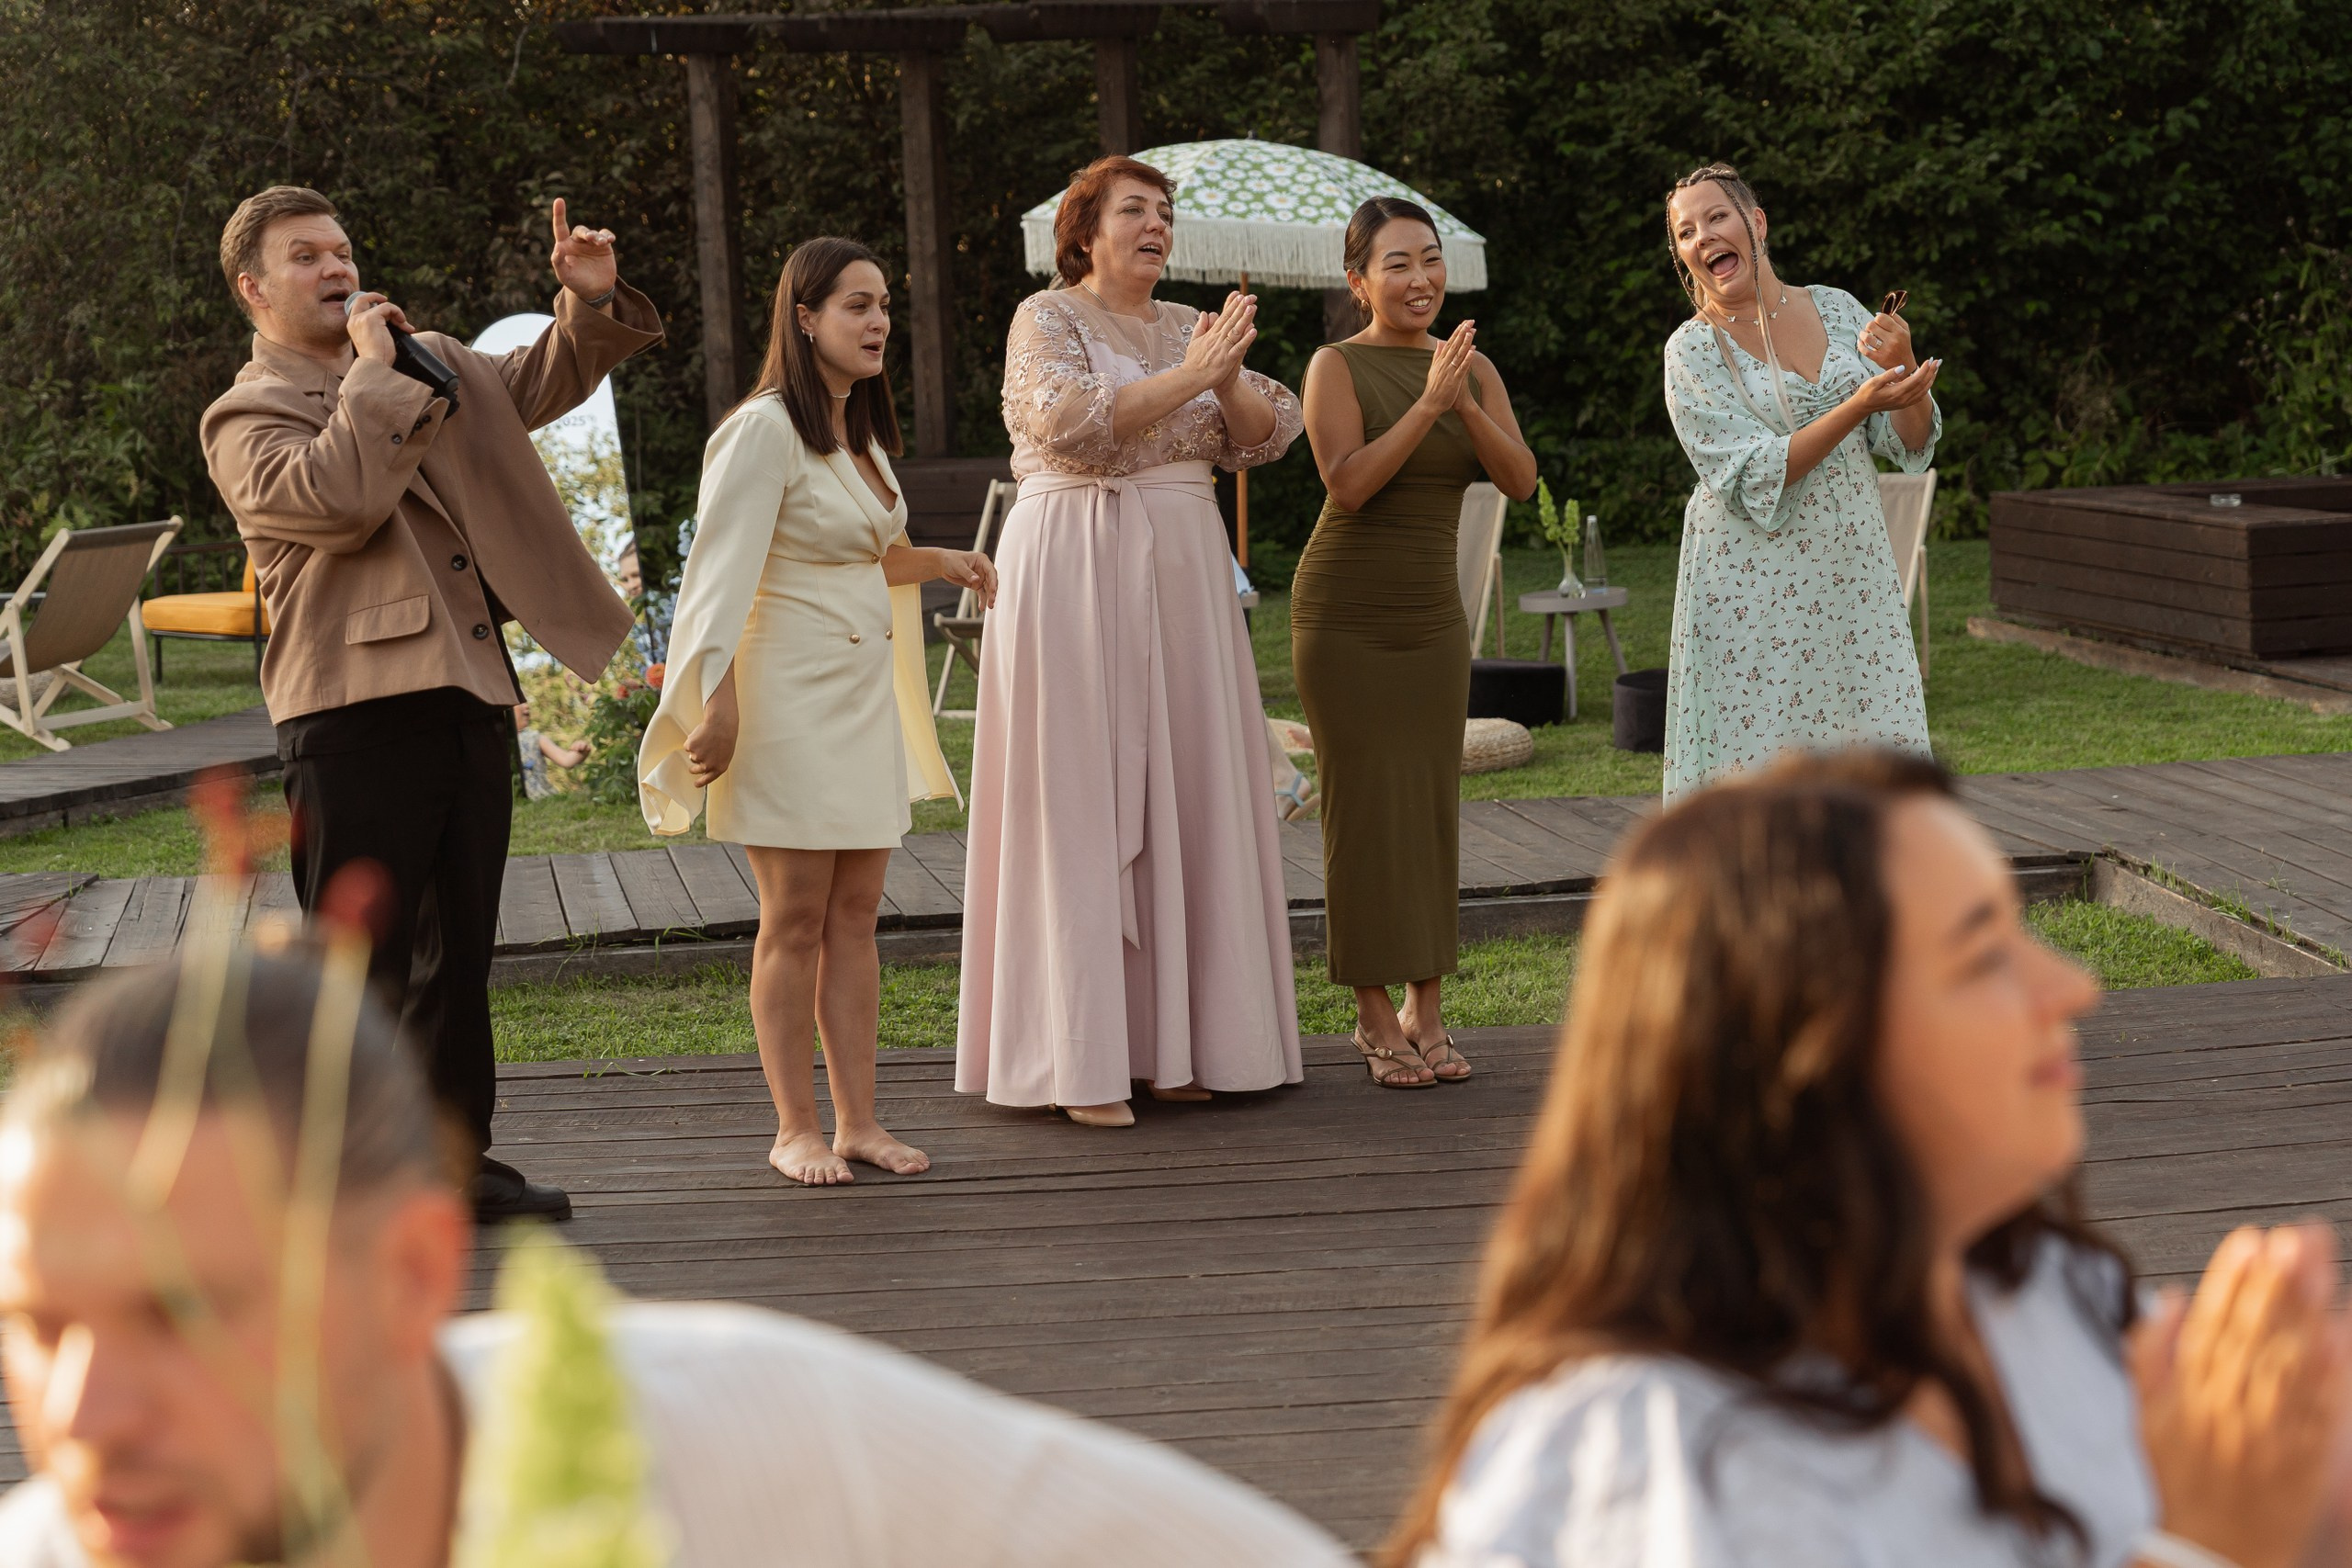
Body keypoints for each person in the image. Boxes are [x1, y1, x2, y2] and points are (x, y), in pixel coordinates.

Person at [0, 945, 1362, 1568]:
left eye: (187, 1311)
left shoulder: (774, 1444)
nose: (81, 1415)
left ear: (415, 1273)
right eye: (39, 1323)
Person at [1389, 750, 2352, 1568]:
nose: (2070, 985)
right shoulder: (1646, 1473)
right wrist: (2208, 1542)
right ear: (1805, 1051)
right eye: (1982, 958)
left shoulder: (2035, 1298)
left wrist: (2286, 1431)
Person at [199, 185, 662, 1222]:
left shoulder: (428, 360)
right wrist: (377, 373)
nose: (335, 269)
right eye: (305, 257)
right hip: (349, 710)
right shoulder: (245, 413)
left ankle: (454, 1166)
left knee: (458, 953)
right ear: (253, 288)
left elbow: (535, 382)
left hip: (466, 689)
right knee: (356, 969)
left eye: (341, 248)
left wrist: (584, 305)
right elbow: (336, 499)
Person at [956, 154, 1306, 1127]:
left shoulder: (1189, 324)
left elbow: (1271, 430)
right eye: (1134, 210)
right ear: (1085, 231)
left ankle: (1180, 1046)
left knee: (1190, 786)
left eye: (1164, 212)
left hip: (1184, 573)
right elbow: (1062, 420)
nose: (1156, 225)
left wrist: (1221, 377)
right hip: (1074, 561)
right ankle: (1085, 1060)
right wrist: (1194, 375)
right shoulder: (1048, 315)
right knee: (1078, 792)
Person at [638, 237, 994, 1185]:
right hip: (782, 701)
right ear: (805, 317)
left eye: (884, 305)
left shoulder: (860, 434)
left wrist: (942, 560)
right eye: (856, 306)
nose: (879, 322)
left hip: (861, 699)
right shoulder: (761, 430)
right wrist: (713, 706)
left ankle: (859, 1122)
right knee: (793, 916)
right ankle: (793, 1127)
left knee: (858, 914)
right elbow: (718, 578)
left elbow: (868, 554)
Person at [1293, 197, 1536, 1090]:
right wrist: (1427, 400)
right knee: (1359, 814)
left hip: (1432, 622)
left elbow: (1517, 476)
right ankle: (1369, 1016)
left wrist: (1460, 399)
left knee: (1430, 811)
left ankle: (1425, 1010)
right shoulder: (1335, 367)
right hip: (1344, 617)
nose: (1418, 278)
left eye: (1429, 260)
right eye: (1395, 264)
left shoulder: (1472, 369)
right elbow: (1348, 484)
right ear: (1359, 282)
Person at [1659, 163, 1943, 801]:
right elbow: (1753, 472)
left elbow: (1911, 444)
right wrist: (1856, 405)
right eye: (1685, 231)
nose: (1703, 237)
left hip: (1852, 565)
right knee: (1763, 746)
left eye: (1717, 218)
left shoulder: (1838, 307)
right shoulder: (1692, 351)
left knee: (1872, 733)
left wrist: (1901, 366)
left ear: (1755, 223)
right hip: (1748, 577)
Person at [513, 700, 587, 800]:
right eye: (520, 702)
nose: (526, 706)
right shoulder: (493, 743)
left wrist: (581, 751)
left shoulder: (534, 738)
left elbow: (566, 760)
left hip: (538, 797)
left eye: (526, 702)